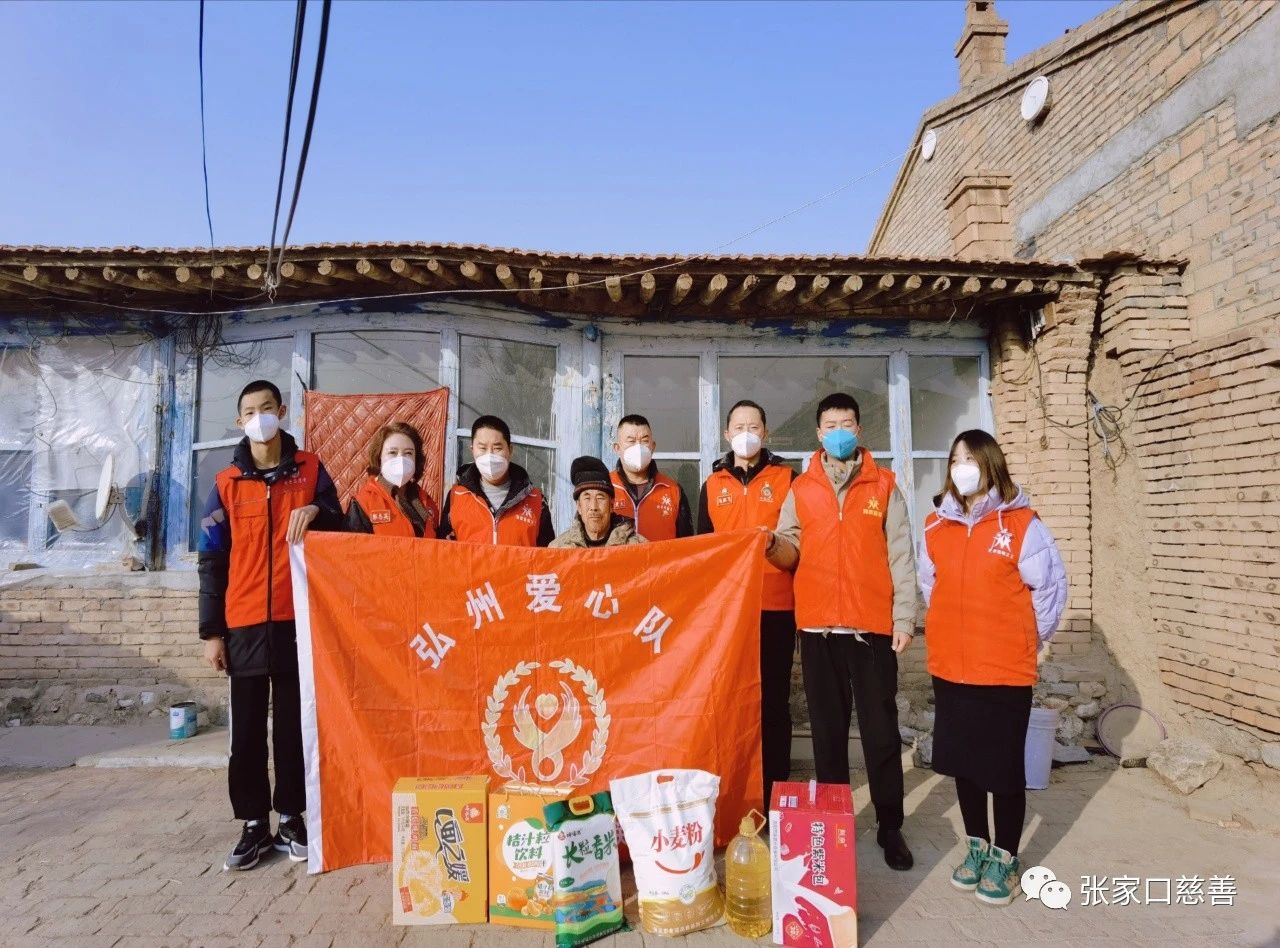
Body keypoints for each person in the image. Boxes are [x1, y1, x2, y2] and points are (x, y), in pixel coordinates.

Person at [766, 392, 917, 871]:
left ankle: (890, 826)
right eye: (830, 425)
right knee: (828, 736)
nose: (839, 432)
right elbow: (790, 545)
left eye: (846, 423)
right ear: (818, 433)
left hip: (871, 629)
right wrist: (771, 546)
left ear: (858, 429)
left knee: (880, 733)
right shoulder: (802, 487)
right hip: (817, 629)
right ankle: (836, 823)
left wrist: (904, 617)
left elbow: (901, 554)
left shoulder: (883, 485)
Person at [917, 429, 1067, 906]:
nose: (961, 467)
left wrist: (1024, 640)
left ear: (990, 463)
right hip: (952, 667)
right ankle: (977, 846)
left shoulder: (1022, 524)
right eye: (954, 459)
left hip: (1003, 668)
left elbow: (1050, 590)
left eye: (971, 458)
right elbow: (930, 587)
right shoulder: (934, 527)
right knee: (964, 764)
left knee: (1001, 768)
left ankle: (1006, 856)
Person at [197, 379, 342, 870]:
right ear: (239, 421)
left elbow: (340, 524)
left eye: (266, 408)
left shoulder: (311, 470)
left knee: (294, 727)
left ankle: (293, 817)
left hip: (297, 619)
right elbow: (212, 561)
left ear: (281, 411)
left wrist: (316, 508)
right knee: (246, 732)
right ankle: (253, 823)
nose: (258, 417)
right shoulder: (224, 484)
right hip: (242, 623)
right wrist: (212, 632)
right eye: (249, 411)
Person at [697, 399, 797, 804]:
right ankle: (734, 785)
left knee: (773, 700)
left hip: (776, 606)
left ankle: (775, 791)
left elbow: (799, 542)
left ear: (765, 432)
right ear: (726, 434)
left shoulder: (788, 479)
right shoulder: (712, 485)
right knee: (730, 698)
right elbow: (702, 552)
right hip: (728, 612)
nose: (746, 433)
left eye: (753, 426)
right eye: (738, 427)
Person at [437, 415, 554, 546]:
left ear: (510, 450)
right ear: (472, 450)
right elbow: (444, 550)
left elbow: (547, 552)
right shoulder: (456, 496)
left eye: (497, 448)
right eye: (482, 448)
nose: (490, 455)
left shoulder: (536, 500)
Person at [344, 421, 440, 537]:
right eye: (392, 452)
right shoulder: (364, 503)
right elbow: (352, 546)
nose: (401, 459)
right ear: (379, 457)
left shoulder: (426, 502)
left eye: (408, 453)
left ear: (416, 459)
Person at [609, 414, 693, 541]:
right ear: (617, 448)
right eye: (631, 441)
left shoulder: (673, 490)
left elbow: (687, 543)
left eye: (644, 440)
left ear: (653, 447)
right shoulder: (605, 488)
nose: (638, 447)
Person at [550, 456, 646, 548]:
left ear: (611, 505)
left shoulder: (637, 547)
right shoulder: (559, 549)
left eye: (600, 498)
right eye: (587, 498)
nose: (593, 507)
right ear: (579, 506)